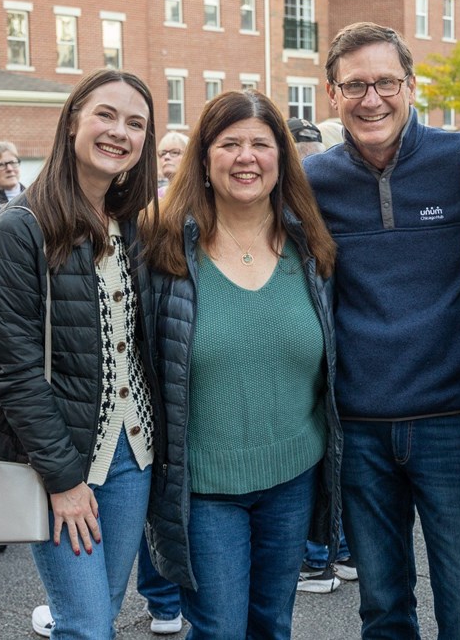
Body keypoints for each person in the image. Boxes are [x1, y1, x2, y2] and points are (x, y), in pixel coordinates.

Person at [303, 22, 460, 639]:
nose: (372, 99)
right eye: (354, 85)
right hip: (359, 431)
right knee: (383, 609)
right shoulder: (312, 183)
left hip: (454, 424)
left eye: (386, 82)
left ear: (411, 86)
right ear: (331, 95)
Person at [0, 69, 162, 640]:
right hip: (59, 462)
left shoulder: (134, 226)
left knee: (103, 610)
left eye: (135, 123)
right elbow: (13, 372)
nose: (119, 131)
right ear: (73, 119)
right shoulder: (18, 229)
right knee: (88, 625)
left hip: (133, 453)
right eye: (105, 114)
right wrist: (63, 480)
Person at [144, 89, 342, 639]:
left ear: (282, 156)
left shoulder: (310, 246)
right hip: (204, 485)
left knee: (272, 625)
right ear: (204, 159)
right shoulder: (161, 244)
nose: (246, 157)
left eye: (260, 143)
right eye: (229, 143)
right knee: (219, 631)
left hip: (292, 476)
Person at [285, 115, 357, 595]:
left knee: (324, 457)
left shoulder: (307, 213)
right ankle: (340, 552)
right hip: (327, 359)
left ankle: (320, 560)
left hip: (327, 366)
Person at [156, 131, 188, 198]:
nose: (166, 157)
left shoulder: (199, 194)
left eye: (175, 152)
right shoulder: (156, 196)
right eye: (163, 153)